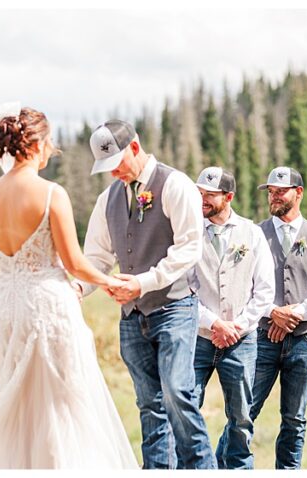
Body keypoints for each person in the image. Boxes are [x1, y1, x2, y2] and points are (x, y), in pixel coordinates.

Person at [0, 105, 136, 469]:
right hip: (49, 307)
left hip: (9, 307)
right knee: (61, 404)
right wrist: (109, 281)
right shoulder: (51, 193)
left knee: (21, 403)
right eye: (50, 141)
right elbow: (73, 262)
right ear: (36, 144)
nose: (52, 148)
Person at [77, 119, 214, 469]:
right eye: (105, 168)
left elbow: (189, 248)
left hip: (174, 309)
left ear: (134, 148)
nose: (113, 175)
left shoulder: (175, 185)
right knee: (149, 405)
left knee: (178, 396)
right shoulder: (107, 199)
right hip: (131, 318)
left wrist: (143, 282)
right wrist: (79, 287)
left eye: (116, 165)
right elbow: (97, 256)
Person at [250, 166, 307, 469]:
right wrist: (272, 313)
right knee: (244, 411)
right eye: (271, 192)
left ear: (298, 192)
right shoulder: (254, 235)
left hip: (305, 340)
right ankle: (230, 467)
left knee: (295, 417)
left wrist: (294, 313)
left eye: (280, 191)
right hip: (261, 338)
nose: (274, 196)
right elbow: (244, 285)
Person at [188, 167, 274, 469]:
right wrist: (213, 323)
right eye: (199, 193)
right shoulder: (188, 231)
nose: (202, 200)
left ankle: (238, 468)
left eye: (210, 195)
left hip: (241, 340)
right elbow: (184, 288)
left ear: (228, 197)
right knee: (187, 404)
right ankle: (191, 467)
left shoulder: (252, 233)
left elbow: (264, 291)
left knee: (241, 414)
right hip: (198, 337)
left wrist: (236, 327)